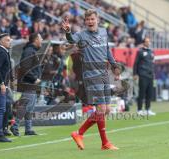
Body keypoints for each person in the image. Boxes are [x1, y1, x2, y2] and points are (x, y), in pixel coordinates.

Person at [62, 9, 120, 150]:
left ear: (97, 20)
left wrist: (114, 66)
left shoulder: (103, 32)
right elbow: (70, 40)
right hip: (92, 75)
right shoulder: (81, 35)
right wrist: (68, 32)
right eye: (87, 19)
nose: (90, 21)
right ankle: (84, 135)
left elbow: (107, 50)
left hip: (104, 73)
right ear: (85, 21)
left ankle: (101, 142)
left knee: (106, 110)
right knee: (100, 108)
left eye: (92, 19)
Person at [10, 32, 42, 136]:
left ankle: (28, 129)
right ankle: (15, 126)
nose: (41, 40)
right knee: (25, 105)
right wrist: (34, 79)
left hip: (30, 83)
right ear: (36, 40)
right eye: (40, 38)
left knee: (30, 106)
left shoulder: (31, 51)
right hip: (28, 83)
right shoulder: (29, 51)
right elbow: (25, 67)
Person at [133, 37, 156, 116]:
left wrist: (153, 72)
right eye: (147, 41)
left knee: (149, 93)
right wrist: (135, 74)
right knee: (142, 93)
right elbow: (136, 63)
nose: (148, 43)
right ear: (144, 43)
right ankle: (139, 110)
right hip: (143, 75)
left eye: (149, 41)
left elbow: (152, 63)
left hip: (150, 75)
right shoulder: (140, 51)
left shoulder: (152, 52)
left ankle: (147, 109)